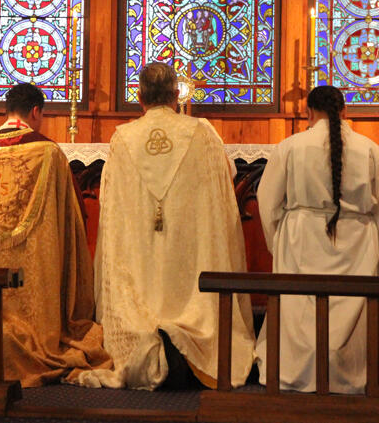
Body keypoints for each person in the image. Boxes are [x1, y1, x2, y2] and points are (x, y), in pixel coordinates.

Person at [78, 62, 256, 390]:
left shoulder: (123, 139)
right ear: (176, 96)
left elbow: (109, 197)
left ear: (140, 97)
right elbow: (227, 177)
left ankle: (142, 333)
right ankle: (191, 342)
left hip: (141, 248)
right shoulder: (202, 133)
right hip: (189, 247)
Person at [0, 82, 111, 387]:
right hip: (27, 273)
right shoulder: (47, 152)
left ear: (8, 111)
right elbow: (71, 217)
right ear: (35, 111)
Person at [255, 85, 379, 394]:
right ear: (344, 111)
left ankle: (296, 371)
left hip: (302, 236)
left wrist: (278, 239)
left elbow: (267, 199)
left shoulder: (291, 146)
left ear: (309, 112)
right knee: (352, 303)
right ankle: (353, 373)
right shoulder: (370, 149)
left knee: (301, 307)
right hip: (356, 239)